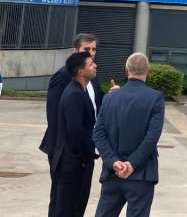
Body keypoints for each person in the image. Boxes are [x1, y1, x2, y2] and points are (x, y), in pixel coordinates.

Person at [41, 34, 118, 216]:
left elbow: (94, 106)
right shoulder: (64, 77)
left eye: (94, 50)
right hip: (66, 150)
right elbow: (55, 115)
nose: (91, 54)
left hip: (84, 149)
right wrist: (67, 149)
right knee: (62, 203)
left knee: (78, 201)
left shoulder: (91, 78)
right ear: (75, 51)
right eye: (87, 50)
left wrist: (112, 97)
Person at [93, 53, 165, 217]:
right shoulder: (155, 98)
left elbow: (98, 133)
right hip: (142, 173)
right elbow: (152, 137)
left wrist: (114, 161)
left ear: (126, 71)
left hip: (113, 172)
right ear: (148, 71)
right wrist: (132, 164)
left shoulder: (110, 98)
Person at [52, 51, 100, 217]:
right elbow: (75, 131)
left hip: (77, 162)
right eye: (90, 64)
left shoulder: (80, 91)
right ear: (80, 71)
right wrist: (88, 154)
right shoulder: (74, 94)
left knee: (75, 209)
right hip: (73, 164)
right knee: (69, 210)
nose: (95, 65)